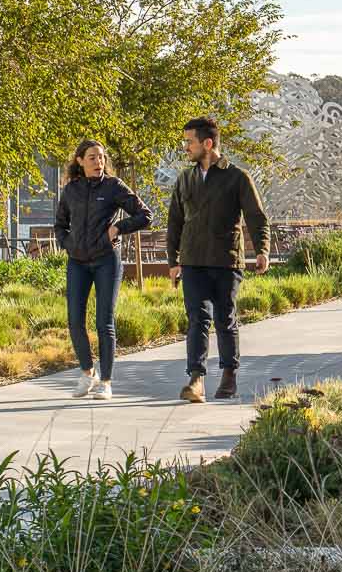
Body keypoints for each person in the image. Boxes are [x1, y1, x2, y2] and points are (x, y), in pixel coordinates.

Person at [166, 116, 269, 402]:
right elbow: (175, 221)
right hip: (192, 260)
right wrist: (173, 261)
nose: (185, 147)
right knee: (197, 318)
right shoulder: (185, 178)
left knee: (225, 319)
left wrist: (262, 251)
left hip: (226, 261)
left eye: (189, 142)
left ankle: (229, 374)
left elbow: (257, 218)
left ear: (207, 143)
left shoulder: (237, 177)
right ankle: (196, 379)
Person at [55, 140, 152, 401]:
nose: (98, 162)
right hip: (77, 262)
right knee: (75, 321)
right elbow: (60, 224)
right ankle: (87, 373)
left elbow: (145, 215)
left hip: (106, 260)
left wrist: (117, 228)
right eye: (92, 158)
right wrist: (68, 243)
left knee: (104, 322)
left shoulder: (113, 187)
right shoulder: (71, 190)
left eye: (101, 157)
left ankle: (106, 382)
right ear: (80, 161)